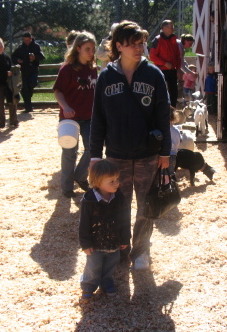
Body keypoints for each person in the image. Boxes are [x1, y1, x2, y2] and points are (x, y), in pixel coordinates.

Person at [90, 21, 171, 270]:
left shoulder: (154, 74)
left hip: (148, 154)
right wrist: (94, 155)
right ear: (118, 46)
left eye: (141, 43)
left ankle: (141, 252)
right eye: (132, 44)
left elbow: (163, 116)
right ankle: (121, 250)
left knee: (146, 206)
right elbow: (98, 118)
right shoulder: (106, 76)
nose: (139, 48)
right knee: (118, 207)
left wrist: (166, 152)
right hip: (116, 155)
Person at [53, 31, 98, 198]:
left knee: (93, 148)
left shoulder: (93, 69)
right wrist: (65, 107)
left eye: (92, 48)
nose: (91, 52)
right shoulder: (67, 69)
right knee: (69, 152)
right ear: (78, 48)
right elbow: (58, 91)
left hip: (89, 116)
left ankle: (80, 176)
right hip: (69, 118)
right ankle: (67, 187)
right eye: (87, 48)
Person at [79, 160, 131, 300]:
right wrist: (85, 243)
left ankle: (107, 282)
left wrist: (125, 238)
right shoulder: (89, 200)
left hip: (114, 241)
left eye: (117, 179)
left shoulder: (119, 197)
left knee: (110, 265)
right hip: (95, 244)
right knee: (93, 266)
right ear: (97, 182)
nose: (116, 183)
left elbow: (125, 219)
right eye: (111, 181)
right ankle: (88, 285)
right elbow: (84, 223)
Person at [149, 20, 181, 107]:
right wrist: (164, 63)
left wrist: (178, 69)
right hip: (161, 70)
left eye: (172, 27)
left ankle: (173, 113)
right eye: (170, 27)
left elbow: (178, 56)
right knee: (160, 91)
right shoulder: (157, 40)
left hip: (172, 70)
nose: (173, 29)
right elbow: (152, 56)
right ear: (164, 28)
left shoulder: (174, 40)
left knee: (174, 92)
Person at [11, 32, 45, 113]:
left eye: (28, 40)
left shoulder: (36, 46)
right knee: (24, 88)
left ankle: (28, 101)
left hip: (33, 70)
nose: (26, 41)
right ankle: (28, 107)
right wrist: (17, 60)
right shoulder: (20, 47)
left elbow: (42, 56)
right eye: (24, 40)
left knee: (32, 83)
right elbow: (13, 56)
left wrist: (35, 57)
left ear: (31, 38)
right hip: (24, 70)